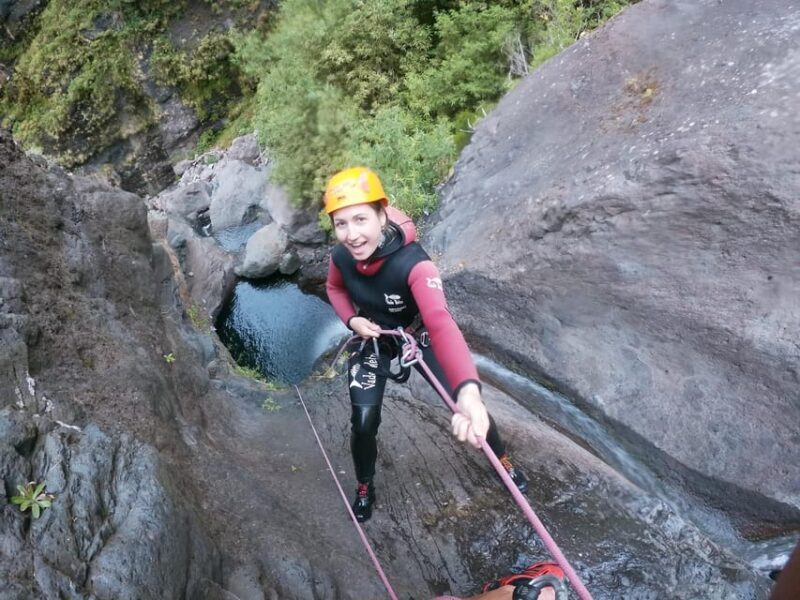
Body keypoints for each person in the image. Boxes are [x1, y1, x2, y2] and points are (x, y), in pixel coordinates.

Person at [324, 166, 528, 522]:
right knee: (363, 418)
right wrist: (352, 320)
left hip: (419, 334)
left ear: (381, 215)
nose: (352, 235)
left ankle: (500, 458)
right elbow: (335, 288)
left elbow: (441, 323)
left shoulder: (415, 265)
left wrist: (468, 392)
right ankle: (364, 484)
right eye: (341, 224)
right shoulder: (341, 257)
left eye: (360, 220)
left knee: (470, 408)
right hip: (373, 335)